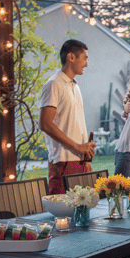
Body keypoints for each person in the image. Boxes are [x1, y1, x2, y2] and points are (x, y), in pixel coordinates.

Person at [39, 39, 97, 195]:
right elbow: (45, 124)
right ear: (71, 57)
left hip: (79, 161)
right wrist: (77, 147)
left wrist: (84, 157)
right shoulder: (54, 84)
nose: (86, 64)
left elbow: (73, 124)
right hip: (63, 162)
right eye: (84, 58)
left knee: (81, 213)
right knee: (63, 214)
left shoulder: (75, 85)